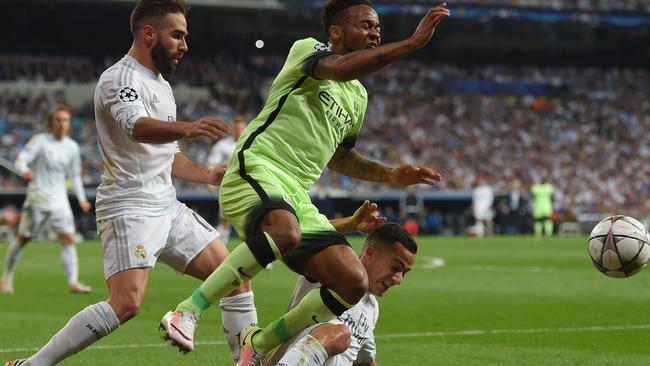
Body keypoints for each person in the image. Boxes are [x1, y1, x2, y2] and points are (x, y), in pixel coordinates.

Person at [161, 1, 448, 365]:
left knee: (352, 281)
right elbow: (340, 69)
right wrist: (411, 44)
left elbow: (341, 157)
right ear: (336, 32)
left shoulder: (358, 97)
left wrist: (390, 174)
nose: (376, 32)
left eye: (378, 27)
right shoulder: (309, 50)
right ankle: (188, 310)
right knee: (285, 231)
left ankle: (261, 343)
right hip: (260, 166)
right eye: (366, 25)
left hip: (298, 193)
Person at [4, 1, 255, 365]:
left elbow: (168, 156)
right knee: (126, 304)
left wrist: (206, 175)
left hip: (166, 205)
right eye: (177, 35)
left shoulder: (163, 86)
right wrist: (188, 127)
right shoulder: (119, 78)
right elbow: (134, 127)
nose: (184, 45)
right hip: (130, 205)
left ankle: (247, 361)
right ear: (149, 33)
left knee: (235, 277)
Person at [264, 223, 417, 366]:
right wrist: (349, 224)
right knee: (339, 334)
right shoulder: (330, 270)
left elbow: (366, 361)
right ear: (369, 253)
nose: (399, 279)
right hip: (288, 356)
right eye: (396, 267)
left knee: (342, 336)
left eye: (404, 273)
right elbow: (296, 232)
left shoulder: (372, 307)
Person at [1, 104, 93, 295]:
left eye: (65, 120)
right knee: (23, 239)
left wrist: (82, 198)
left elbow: (75, 175)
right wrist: (25, 171)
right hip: (38, 199)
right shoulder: (40, 141)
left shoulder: (72, 147)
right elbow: (21, 160)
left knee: (68, 239)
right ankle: (7, 277)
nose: (62, 123)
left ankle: (73, 281)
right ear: (50, 122)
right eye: (58, 120)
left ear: (69, 123)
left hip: (60, 200)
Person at [206, 116, 247, 245]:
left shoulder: (252, 143)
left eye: (241, 128)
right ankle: (220, 247)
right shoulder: (222, 145)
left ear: (244, 128)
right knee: (225, 219)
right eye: (236, 128)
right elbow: (212, 164)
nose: (238, 131)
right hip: (228, 187)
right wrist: (209, 180)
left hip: (249, 187)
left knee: (253, 219)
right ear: (232, 129)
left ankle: (262, 254)